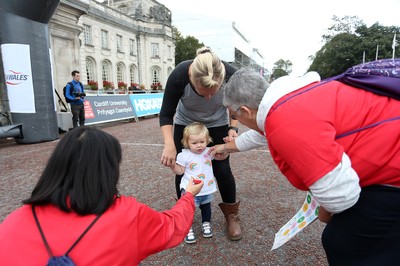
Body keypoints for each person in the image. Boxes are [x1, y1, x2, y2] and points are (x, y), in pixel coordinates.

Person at [210, 67, 400, 264]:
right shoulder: (288, 99)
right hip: (387, 153)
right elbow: (261, 134)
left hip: (392, 173)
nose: (236, 120)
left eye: (234, 115)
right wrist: (225, 147)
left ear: (246, 111)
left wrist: (325, 212)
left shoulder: (284, 122)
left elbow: (340, 196)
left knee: (343, 243)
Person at [0, 127, 204, 265]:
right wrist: (188, 196)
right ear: (109, 169)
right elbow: (172, 226)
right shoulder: (127, 215)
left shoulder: (12, 222)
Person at [159, 46, 242, 241]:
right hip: (186, 123)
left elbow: (238, 105)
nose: (209, 98)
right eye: (203, 93)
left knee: (222, 169)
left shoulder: (232, 75)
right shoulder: (180, 74)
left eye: (213, 93)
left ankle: (232, 214)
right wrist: (169, 144)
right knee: (184, 169)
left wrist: (233, 128)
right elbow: (166, 113)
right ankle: (182, 216)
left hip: (218, 123)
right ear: (193, 81)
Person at [169, 122, 219, 244]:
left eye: (202, 142)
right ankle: (187, 228)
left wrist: (226, 149)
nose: (199, 146)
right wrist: (172, 165)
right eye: (194, 143)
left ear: (207, 140)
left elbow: (220, 157)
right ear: (187, 143)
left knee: (206, 207)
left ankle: (206, 223)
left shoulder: (209, 151)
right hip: (190, 190)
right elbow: (180, 171)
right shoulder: (184, 155)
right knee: (188, 210)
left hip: (206, 188)